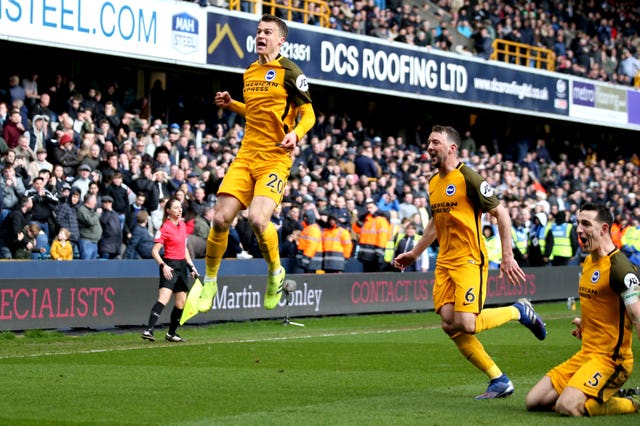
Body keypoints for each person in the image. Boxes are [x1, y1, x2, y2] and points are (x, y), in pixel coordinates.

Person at [394, 125, 546, 399]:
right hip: (444, 262)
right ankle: (498, 379)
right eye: (428, 142)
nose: (429, 147)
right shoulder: (433, 183)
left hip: (469, 259)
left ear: (452, 148)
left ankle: (519, 310)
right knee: (449, 324)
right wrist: (415, 252)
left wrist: (508, 256)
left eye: (435, 142)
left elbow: (502, 214)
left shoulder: (469, 178)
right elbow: (435, 222)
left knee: (467, 323)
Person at [197, 14, 315, 314]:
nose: (261, 35)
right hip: (246, 155)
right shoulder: (250, 72)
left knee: (259, 221)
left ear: (281, 40)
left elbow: (309, 115)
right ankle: (210, 280)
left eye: (268, 32)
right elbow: (254, 111)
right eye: (259, 31)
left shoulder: (290, 71)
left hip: (275, 158)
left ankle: (276, 271)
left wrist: (296, 135)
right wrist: (232, 104)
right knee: (220, 218)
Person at [526, 203, 640, 416]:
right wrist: (586, 325)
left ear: (604, 229)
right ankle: (590, 394)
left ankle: (631, 403)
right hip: (587, 354)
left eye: (586, 224)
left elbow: (637, 317)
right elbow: (601, 306)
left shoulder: (621, 269)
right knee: (533, 401)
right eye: (578, 223)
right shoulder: (587, 262)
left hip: (612, 360)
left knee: (566, 406)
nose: (579, 229)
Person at [142, 196, 199, 343]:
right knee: (163, 299)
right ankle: (149, 330)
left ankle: (171, 333)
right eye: (176, 208)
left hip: (182, 266)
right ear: (168, 211)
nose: (179, 210)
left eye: (180, 207)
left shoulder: (182, 225)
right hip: (170, 265)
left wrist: (191, 267)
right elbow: (154, 251)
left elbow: (184, 249)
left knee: (181, 303)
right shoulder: (164, 228)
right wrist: (163, 265)